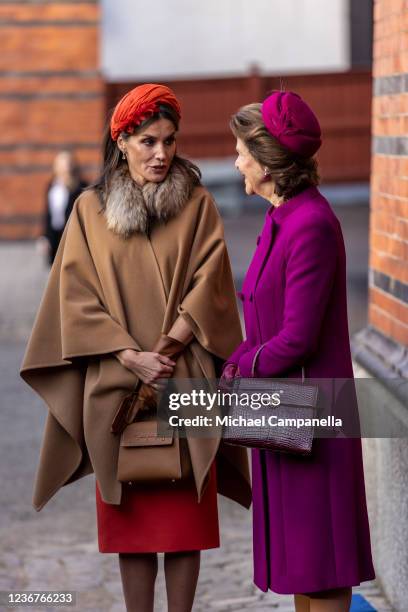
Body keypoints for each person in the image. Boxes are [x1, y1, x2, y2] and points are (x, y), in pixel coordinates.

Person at [20, 83, 251, 612]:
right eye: (148, 141)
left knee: (187, 517)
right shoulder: (88, 211)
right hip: (118, 381)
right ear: (121, 140)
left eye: (169, 141)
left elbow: (211, 281)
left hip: (184, 373)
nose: (162, 153)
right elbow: (73, 299)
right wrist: (131, 356)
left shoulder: (196, 203)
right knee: (132, 516)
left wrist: (167, 349)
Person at [222, 91, 375, 612]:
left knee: (323, 568)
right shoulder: (280, 216)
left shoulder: (311, 223)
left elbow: (298, 337)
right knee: (300, 568)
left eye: (242, 149)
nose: (236, 160)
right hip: (281, 414)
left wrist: (239, 368)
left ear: (267, 160)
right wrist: (237, 362)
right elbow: (261, 319)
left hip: (313, 417)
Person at [38, 150, 87, 265]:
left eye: (68, 165)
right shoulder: (52, 187)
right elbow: (48, 215)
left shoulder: (81, 188)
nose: (66, 170)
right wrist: (44, 237)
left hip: (72, 239)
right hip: (55, 236)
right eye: (62, 166)